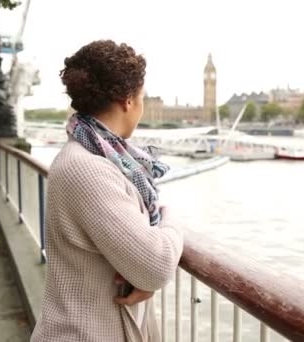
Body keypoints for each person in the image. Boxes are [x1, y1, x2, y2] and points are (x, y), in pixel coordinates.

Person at [31, 40, 184, 342]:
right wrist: (171, 217)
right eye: (141, 97)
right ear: (128, 100)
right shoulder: (87, 169)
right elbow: (157, 264)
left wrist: (140, 271)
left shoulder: (96, 156)